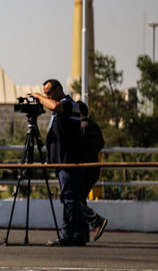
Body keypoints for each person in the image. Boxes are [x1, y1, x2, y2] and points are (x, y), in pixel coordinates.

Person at [30, 79, 84, 246]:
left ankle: (68, 235)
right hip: (60, 161)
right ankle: (78, 234)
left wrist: (38, 96)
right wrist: (50, 160)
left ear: (59, 89)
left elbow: (54, 107)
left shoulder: (69, 104)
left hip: (68, 161)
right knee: (70, 199)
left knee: (69, 199)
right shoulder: (61, 108)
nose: (47, 96)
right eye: (45, 93)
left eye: (49, 93)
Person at [77, 101, 108, 242]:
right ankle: (83, 233)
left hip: (83, 169)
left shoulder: (80, 127)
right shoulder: (94, 126)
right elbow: (101, 144)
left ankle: (97, 221)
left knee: (72, 199)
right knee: (80, 199)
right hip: (95, 168)